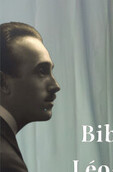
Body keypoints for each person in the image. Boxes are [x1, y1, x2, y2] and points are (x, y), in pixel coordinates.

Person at [1, 22, 61, 172]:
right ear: (3, 83)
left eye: (50, 71)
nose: (55, 86)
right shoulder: (6, 162)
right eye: (41, 71)